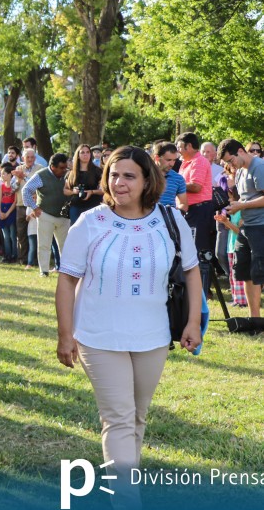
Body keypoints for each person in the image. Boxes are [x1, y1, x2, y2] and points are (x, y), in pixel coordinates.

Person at [56, 145, 202, 510]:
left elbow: (192, 269)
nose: (119, 183)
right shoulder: (90, 222)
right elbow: (66, 280)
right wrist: (64, 334)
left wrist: (194, 322)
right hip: (98, 336)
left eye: (129, 176)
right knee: (119, 418)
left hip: (152, 336)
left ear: (146, 180)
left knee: (136, 416)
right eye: (113, 175)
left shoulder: (170, 219)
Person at [218, 139, 264, 317]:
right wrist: (233, 206)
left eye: (231, 161)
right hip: (246, 227)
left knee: (259, 271)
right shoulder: (239, 172)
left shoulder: (259, 167)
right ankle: (255, 320)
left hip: (260, 226)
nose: (231, 165)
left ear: (240, 151)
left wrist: (241, 206)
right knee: (245, 273)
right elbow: (246, 199)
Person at [22, 153, 70, 277]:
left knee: (65, 245)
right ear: (52, 167)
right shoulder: (41, 175)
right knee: (44, 244)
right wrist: (34, 207)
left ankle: (66, 270)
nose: (64, 170)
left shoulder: (68, 174)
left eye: (65, 167)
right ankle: (44, 271)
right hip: (46, 214)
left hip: (64, 216)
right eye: (61, 168)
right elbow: (26, 190)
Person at [177, 132, 214, 293]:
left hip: (200, 210)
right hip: (189, 211)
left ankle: (200, 292)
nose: (178, 151)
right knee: (189, 250)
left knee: (199, 252)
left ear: (189, 146)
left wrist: (175, 184)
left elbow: (196, 186)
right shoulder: (186, 162)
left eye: (180, 147)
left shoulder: (199, 161)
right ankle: (192, 289)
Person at [214, 186, 247, 307]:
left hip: (238, 246)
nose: (228, 200)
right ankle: (236, 299)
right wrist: (224, 221)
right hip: (231, 245)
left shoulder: (243, 212)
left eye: (230, 197)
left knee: (238, 273)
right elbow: (231, 227)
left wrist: (227, 222)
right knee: (233, 275)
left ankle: (242, 301)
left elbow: (239, 231)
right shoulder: (233, 211)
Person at [14, 148, 43, 266]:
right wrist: (18, 180)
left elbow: (37, 184)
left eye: (32, 157)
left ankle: (34, 260)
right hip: (21, 205)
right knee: (21, 234)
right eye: (27, 157)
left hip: (35, 205)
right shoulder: (18, 169)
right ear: (22, 158)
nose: (30, 159)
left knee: (36, 234)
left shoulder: (40, 169)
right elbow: (13, 188)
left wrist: (24, 177)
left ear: (35, 158)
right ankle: (23, 258)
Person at [64, 143, 103, 224]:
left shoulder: (98, 171)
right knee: (76, 233)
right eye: (82, 152)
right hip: (76, 207)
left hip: (93, 207)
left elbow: (103, 190)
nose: (85, 155)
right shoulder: (72, 173)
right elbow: (65, 190)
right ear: (78, 155)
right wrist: (73, 191)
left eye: (88, 152)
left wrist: (91, 192)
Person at [152, 142, 188, 211]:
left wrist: (175, 214)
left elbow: (183, 204)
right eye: (168, 160)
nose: (172, 164)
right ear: (157, 158)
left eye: (174, 160)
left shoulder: (178, 179)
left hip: (168, 218)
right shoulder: (144, 176)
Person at [0, 163, 18, 262]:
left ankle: (14, 255)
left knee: (12, 235)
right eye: (1, 174)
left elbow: (15, 201)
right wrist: (0, 212)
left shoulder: (14, 187)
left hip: (11, 211)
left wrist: (7, 213)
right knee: (5, 236)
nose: (2, 175)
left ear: (10, 174)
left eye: (4, 173)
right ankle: (7, 255)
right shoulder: (1, 186)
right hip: (2, 209)